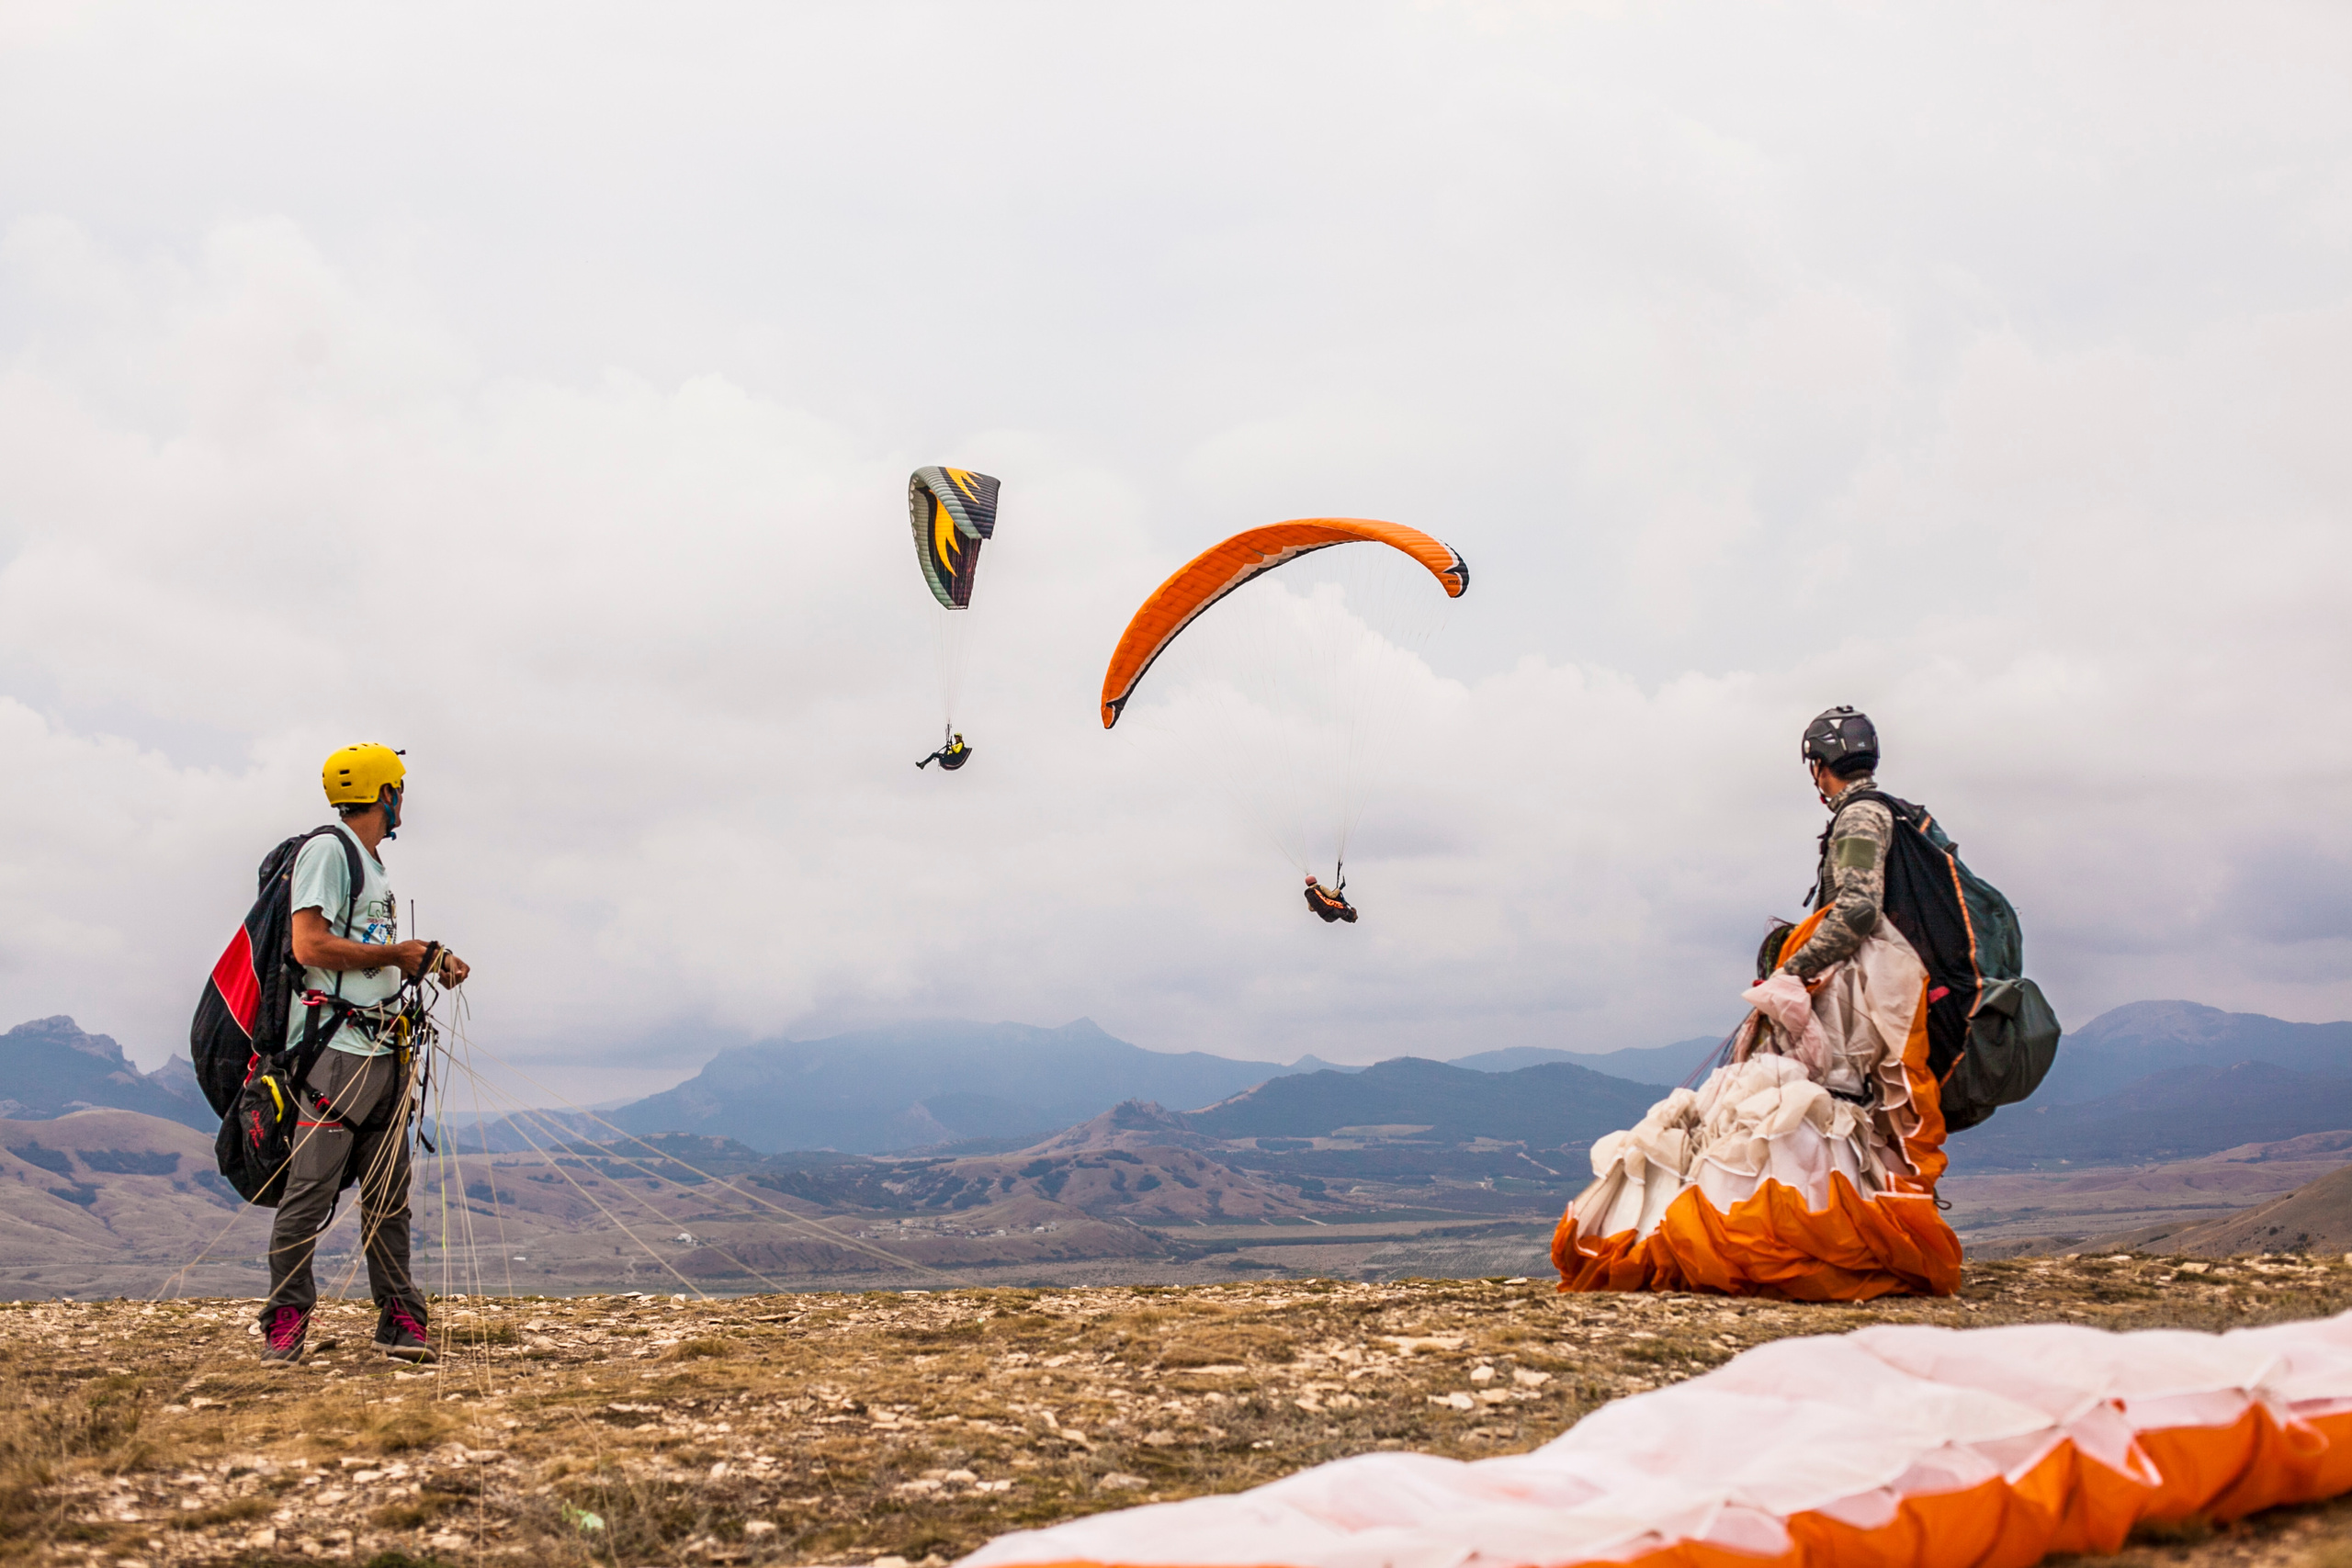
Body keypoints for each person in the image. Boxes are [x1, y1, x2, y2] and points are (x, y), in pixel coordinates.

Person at [259, 744, 469, 1366]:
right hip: (338, 1051)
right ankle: (286, 1317)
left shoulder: (371, 865)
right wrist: (397, 955)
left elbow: (369, 946)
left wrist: (427, 959)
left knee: (388, 1193)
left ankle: (399, 1318)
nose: (402, 800)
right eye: (399, 789)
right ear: (386, 793)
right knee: (311, 1191)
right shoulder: (330, 850)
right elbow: (309, 944)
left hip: (383, 1047)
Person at [1777, 705, 1891, 981]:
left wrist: (1792, 972)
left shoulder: (1859, 818)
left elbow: (1858, 910)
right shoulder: (1901, 814)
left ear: (1820, 766)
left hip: (1877, 987)